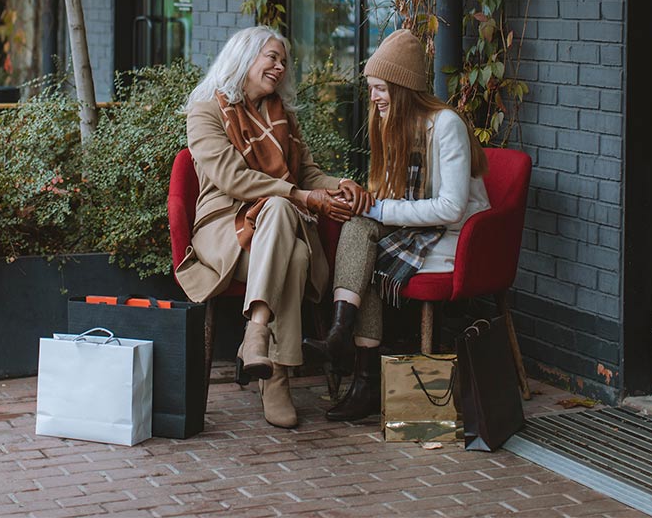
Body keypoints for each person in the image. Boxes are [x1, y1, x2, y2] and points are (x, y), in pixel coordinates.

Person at [177, 26, 372, 429]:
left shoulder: (282, 116)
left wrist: (340, 185)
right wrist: (299, 196)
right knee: (293, 242)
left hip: (274, 232)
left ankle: (257, 335)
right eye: (272, 57)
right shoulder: (205, 111)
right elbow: (233, 179)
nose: (280, 67)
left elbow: (308, 174)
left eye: (283, 61)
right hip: (224, 227)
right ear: (244, 57)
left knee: (286, 226)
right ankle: (279, 377)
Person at [303, 28, 491, 421]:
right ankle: (348, 348)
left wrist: (381, 211)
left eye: (380, 89)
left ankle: (357, 366)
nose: (372, 98)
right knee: (358, 228)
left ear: (403, 88)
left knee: (367, 251)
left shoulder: (446, 126)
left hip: (455, 240)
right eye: (371, 88)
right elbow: (393, 196)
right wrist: (363, 201)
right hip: (417, 231)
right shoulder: (395, 124)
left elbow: (451, 208)